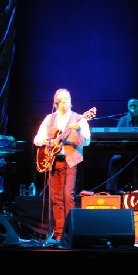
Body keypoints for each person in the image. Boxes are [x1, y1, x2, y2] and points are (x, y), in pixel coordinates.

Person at [33, 88, 92, 241]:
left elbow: (87, 140)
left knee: (68, 195)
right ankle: (59, 234)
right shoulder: (49, 119)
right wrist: (49, 142)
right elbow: (37, 139)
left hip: (70, 160)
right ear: (56, 102)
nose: (65, 102)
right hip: (52, 161)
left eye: (68, 99)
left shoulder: (80, 118)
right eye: (62, 99)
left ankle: (70, 232)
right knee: (56, 198)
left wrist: (78, 131)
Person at [105, 98, 138, 194]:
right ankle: (111, 190)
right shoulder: (123, 121)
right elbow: (117, 137)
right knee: (114, 160)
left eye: (135, 105)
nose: (132, 107)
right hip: (125, 152)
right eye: (130, 106)